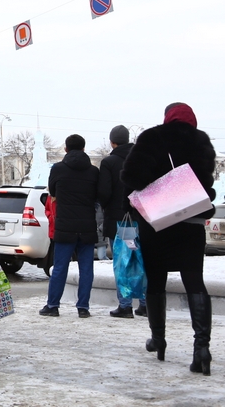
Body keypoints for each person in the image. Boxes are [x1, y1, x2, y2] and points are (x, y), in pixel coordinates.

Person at [121, 103, 216, 376]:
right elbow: (205, 182)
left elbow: (132, 177)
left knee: (156, 281)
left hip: (157, 224)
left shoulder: (152, 138)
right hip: (191, 222)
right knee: (194, 281)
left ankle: (158, 339)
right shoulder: (201, 141)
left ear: (167, 117)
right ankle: (202, 348)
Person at [40, 134, 106, 318]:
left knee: (60, 266)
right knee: (86, 268)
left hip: (65, 225)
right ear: (84, 149)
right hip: (86, 225)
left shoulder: (58, 169)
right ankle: (83, 307)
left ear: (66, 149)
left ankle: (53, 306)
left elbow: (52, 191)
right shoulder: (93, 172)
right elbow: (98, 195)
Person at [99, 125, 144, 318]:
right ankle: (145, 303)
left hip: (119, 220)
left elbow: (104, 192)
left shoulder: (109, 162)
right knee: (142, 260)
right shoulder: (141, 160)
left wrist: (107, 206)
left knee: (121, 261)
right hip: (142, 219)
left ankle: (125, 305)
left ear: (112, 142)